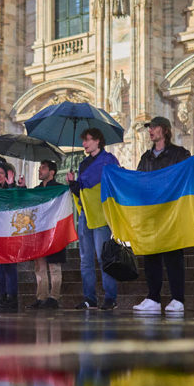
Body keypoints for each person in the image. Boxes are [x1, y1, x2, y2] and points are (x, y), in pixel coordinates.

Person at [133, 116, 191, 316]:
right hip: (151, 212)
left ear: (164, 130)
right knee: (151, 255)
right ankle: (153, 297)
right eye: (149, 128)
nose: (150, 130)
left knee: (174, 256)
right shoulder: (145, 158)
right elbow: (139, 180)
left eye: (154, 127)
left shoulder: (179, 154)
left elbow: (188, 173)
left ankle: (178, 298)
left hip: (172, 211)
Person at [66, 128, 120, 310]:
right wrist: (73, 183)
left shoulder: (109, 161)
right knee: (86, 259)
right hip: (85, 215)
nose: (84, 144)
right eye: (84, 140)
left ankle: (110, 297)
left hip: (102, 215)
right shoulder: (83, 164)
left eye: (87, 140)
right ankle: (90, 298)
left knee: (104, 257)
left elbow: (114, 184)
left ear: (98, 141)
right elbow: (81, 192)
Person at [29, 160, 66, 310]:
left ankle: (54, 297)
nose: (39, 170)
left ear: (52, 172)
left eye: (43, 168)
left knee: (54, 265)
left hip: (55, 232)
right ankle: (41, 297)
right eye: (39, 168)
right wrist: (21, 187)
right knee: (39, 266)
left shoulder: (59, 189)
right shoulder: (36, 189)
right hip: (40, 232)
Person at [0, 163, 20, 312]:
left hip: (9, 234)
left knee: (9, 267)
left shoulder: (14, 189)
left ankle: (12, 297)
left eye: (2, 173)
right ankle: (1, 296)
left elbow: (17, 204)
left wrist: (11, 186)